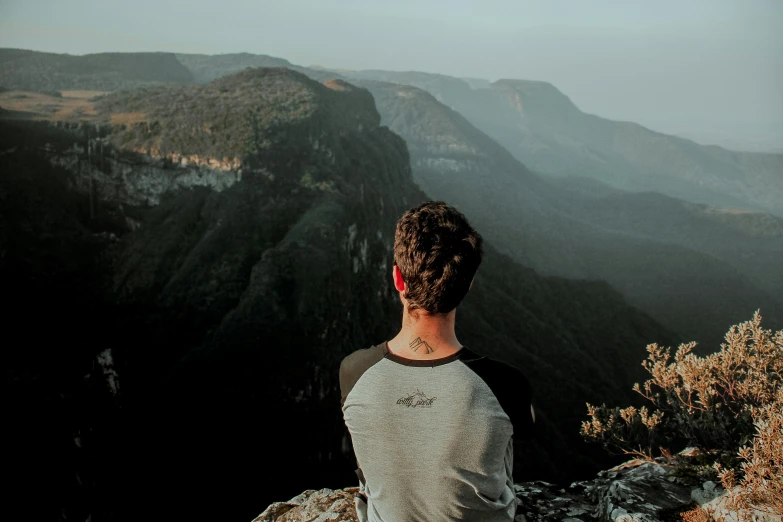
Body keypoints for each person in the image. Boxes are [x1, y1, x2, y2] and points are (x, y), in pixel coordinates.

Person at [339, 201, 535, 522]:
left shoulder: (354, 371)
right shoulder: (506, 383)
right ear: (467, 284)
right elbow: (527, 428)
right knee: (501, 433)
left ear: (398, 279)